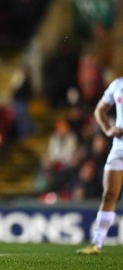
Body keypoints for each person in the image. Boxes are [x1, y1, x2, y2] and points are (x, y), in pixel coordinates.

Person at [76, 77, 123, 255]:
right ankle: (97, 243)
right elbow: (100, 110)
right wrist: (108, 129)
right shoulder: (118, 85)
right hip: (119, 147)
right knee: (110, 193)